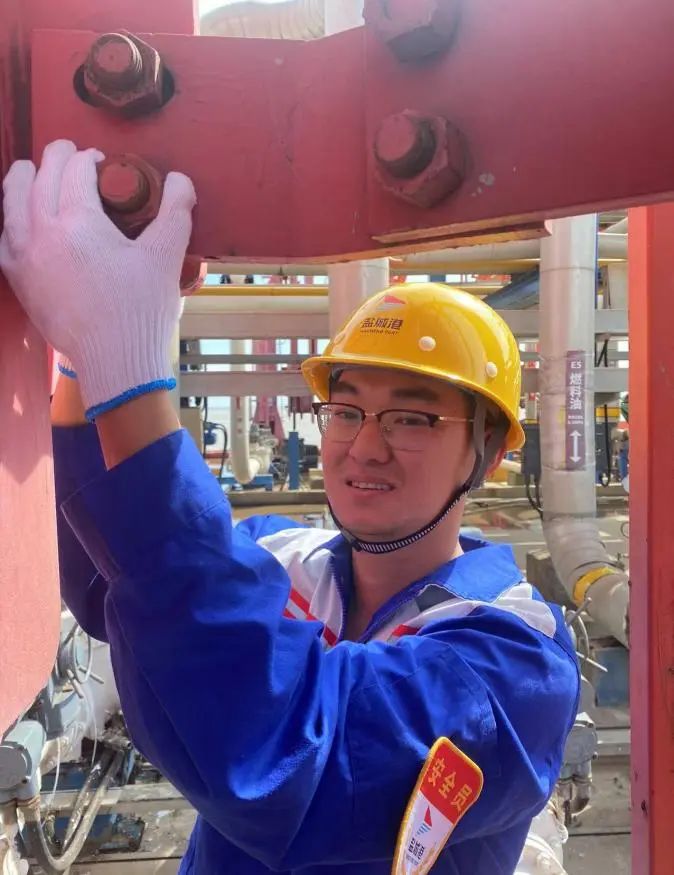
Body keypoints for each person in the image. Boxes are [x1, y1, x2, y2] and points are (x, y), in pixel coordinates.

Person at [1, 141, 579, 874]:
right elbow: (110, 580)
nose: (364, 447)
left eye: (412, 418)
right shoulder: (283, 559)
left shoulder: (515, 661)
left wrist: (129, 369)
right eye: (346, 411)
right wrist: (84, 360)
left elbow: (297, 764)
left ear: (488, 454)